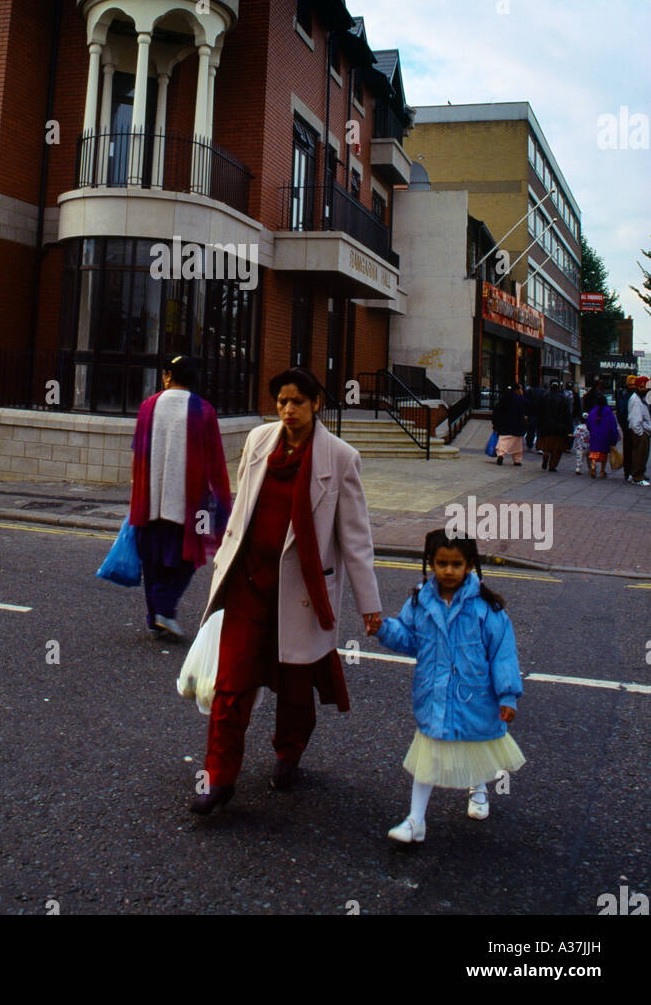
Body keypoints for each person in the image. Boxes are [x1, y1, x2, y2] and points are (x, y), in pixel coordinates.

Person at [190, 367, 382, 814]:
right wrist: (223, 557)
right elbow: (242, 507)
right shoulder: (259, 441)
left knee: (296, 686)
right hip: (249, 585)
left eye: (298, 401)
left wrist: (368, 604)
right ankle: (218, 778)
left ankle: (289, 751)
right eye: (282, 402)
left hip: (301, 594)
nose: (289, 410)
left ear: (316, 403)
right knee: (231, 683)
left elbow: (355, 538)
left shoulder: (340, 458)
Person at [376, 529, 525, 843]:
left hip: (476, 696)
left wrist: (508, 694)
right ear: (430, 563)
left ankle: (479, 789)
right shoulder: (420, 601)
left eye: (456, 564)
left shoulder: (487, 608)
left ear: (470, 565)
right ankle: (416, 820)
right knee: (427, 756)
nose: (448, 570)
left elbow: (503, 653)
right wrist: (384, 629)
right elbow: (408, 638)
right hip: (434, 694)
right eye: (441, 563)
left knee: (475, 746)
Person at [129, 355, 232, 638]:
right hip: (189, 504)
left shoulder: (148, 406)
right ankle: (164, 609)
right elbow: (215, 462)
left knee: (152, 560)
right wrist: (221, 500)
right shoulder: (204, 410)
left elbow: (138, 452)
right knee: (189, 557)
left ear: (168, 376)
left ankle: (155, 617)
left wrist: (136, 490)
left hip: (149, 499)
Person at [536, 381, 573, 472]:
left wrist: (538, 425)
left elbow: (539, 412)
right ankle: (552, 465)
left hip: (545, 427)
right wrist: (569, 428)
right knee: (557, 448)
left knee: (546, 444)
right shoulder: (563, 399)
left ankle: (546, 454)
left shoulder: (543, 397)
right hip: (559, 428)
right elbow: (567, 415)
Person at [586, 393, 620, 479]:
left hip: (594, 436)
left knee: (594, 452)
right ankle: (602, 471)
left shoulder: (592, 412)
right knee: (603, 455)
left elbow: (588, 424)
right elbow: (613, 426)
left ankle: (593, 466)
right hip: (605, 437)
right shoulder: (609, 413)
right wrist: (614, 438)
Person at [491, 383, 526, 466]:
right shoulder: (520, 398)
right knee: (517, 444)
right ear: (517, 390)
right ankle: (517, 460)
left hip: (504, 425)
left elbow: (497, 411)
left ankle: (500, 454)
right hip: (517, 425)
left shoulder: (503, 398)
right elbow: (528, 407)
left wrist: (495, 423)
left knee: (503, 441)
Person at [626, 376, 651, 486]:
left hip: (642, 431)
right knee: (640, 455)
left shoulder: (642, 398)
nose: (644, 389)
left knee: (640, 455)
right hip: (640, 432)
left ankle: (635, 475)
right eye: (641, 387)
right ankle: (637, 477)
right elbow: (635, 419)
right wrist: (641, 433)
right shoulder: (636, 400)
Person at [616, 375, 637, 484]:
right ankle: (631, 472)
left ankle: (628, 472)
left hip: (628, 427)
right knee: (634, 451)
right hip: (632, 427)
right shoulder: (632, 396)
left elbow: (620, 413)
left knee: (629, 450)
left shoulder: (624, 395)